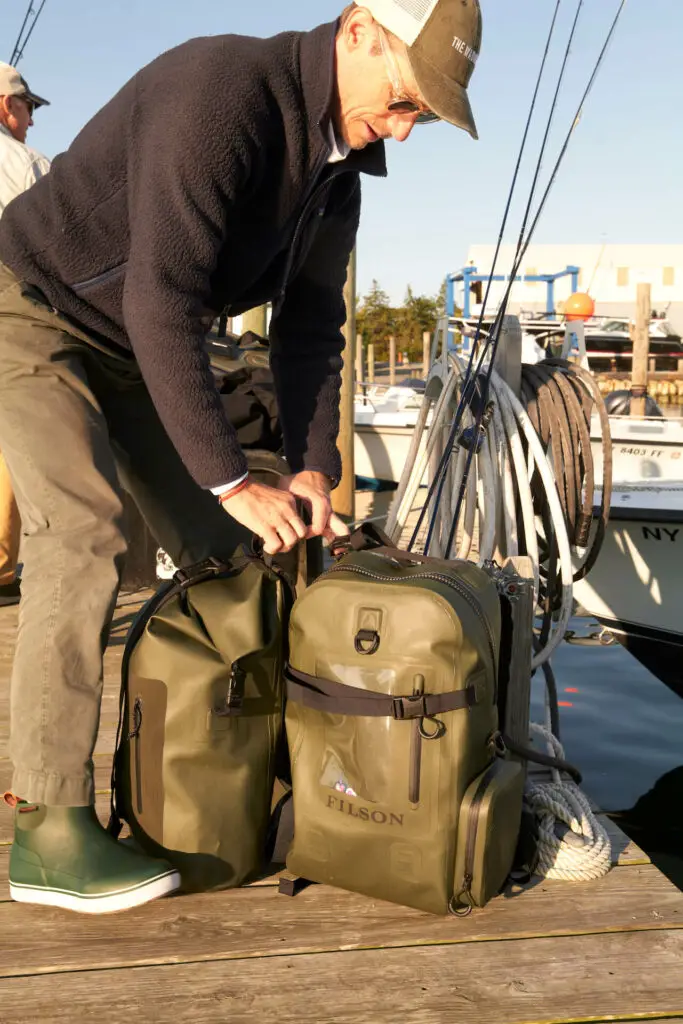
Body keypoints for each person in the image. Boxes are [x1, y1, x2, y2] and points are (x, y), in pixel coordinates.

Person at [0, 0, 483, 914]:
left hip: (132, 341)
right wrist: (229, 478)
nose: (405, 129)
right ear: (355, 31)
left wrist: (307, 471)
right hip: (29, 304)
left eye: (421, 113)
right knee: (89, 534)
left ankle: (245, 764)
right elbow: (165, 296)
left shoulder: (339, 179)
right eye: (403, 98)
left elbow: (309, 327)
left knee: (229, 555)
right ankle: (49, 830)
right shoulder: (220, 93)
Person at [0, 62, 51, 607]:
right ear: (3, 106)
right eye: (27, 107)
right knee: (10, 444)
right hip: (13, 319)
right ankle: (1, 568)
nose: (31, 120)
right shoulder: (28, 165)